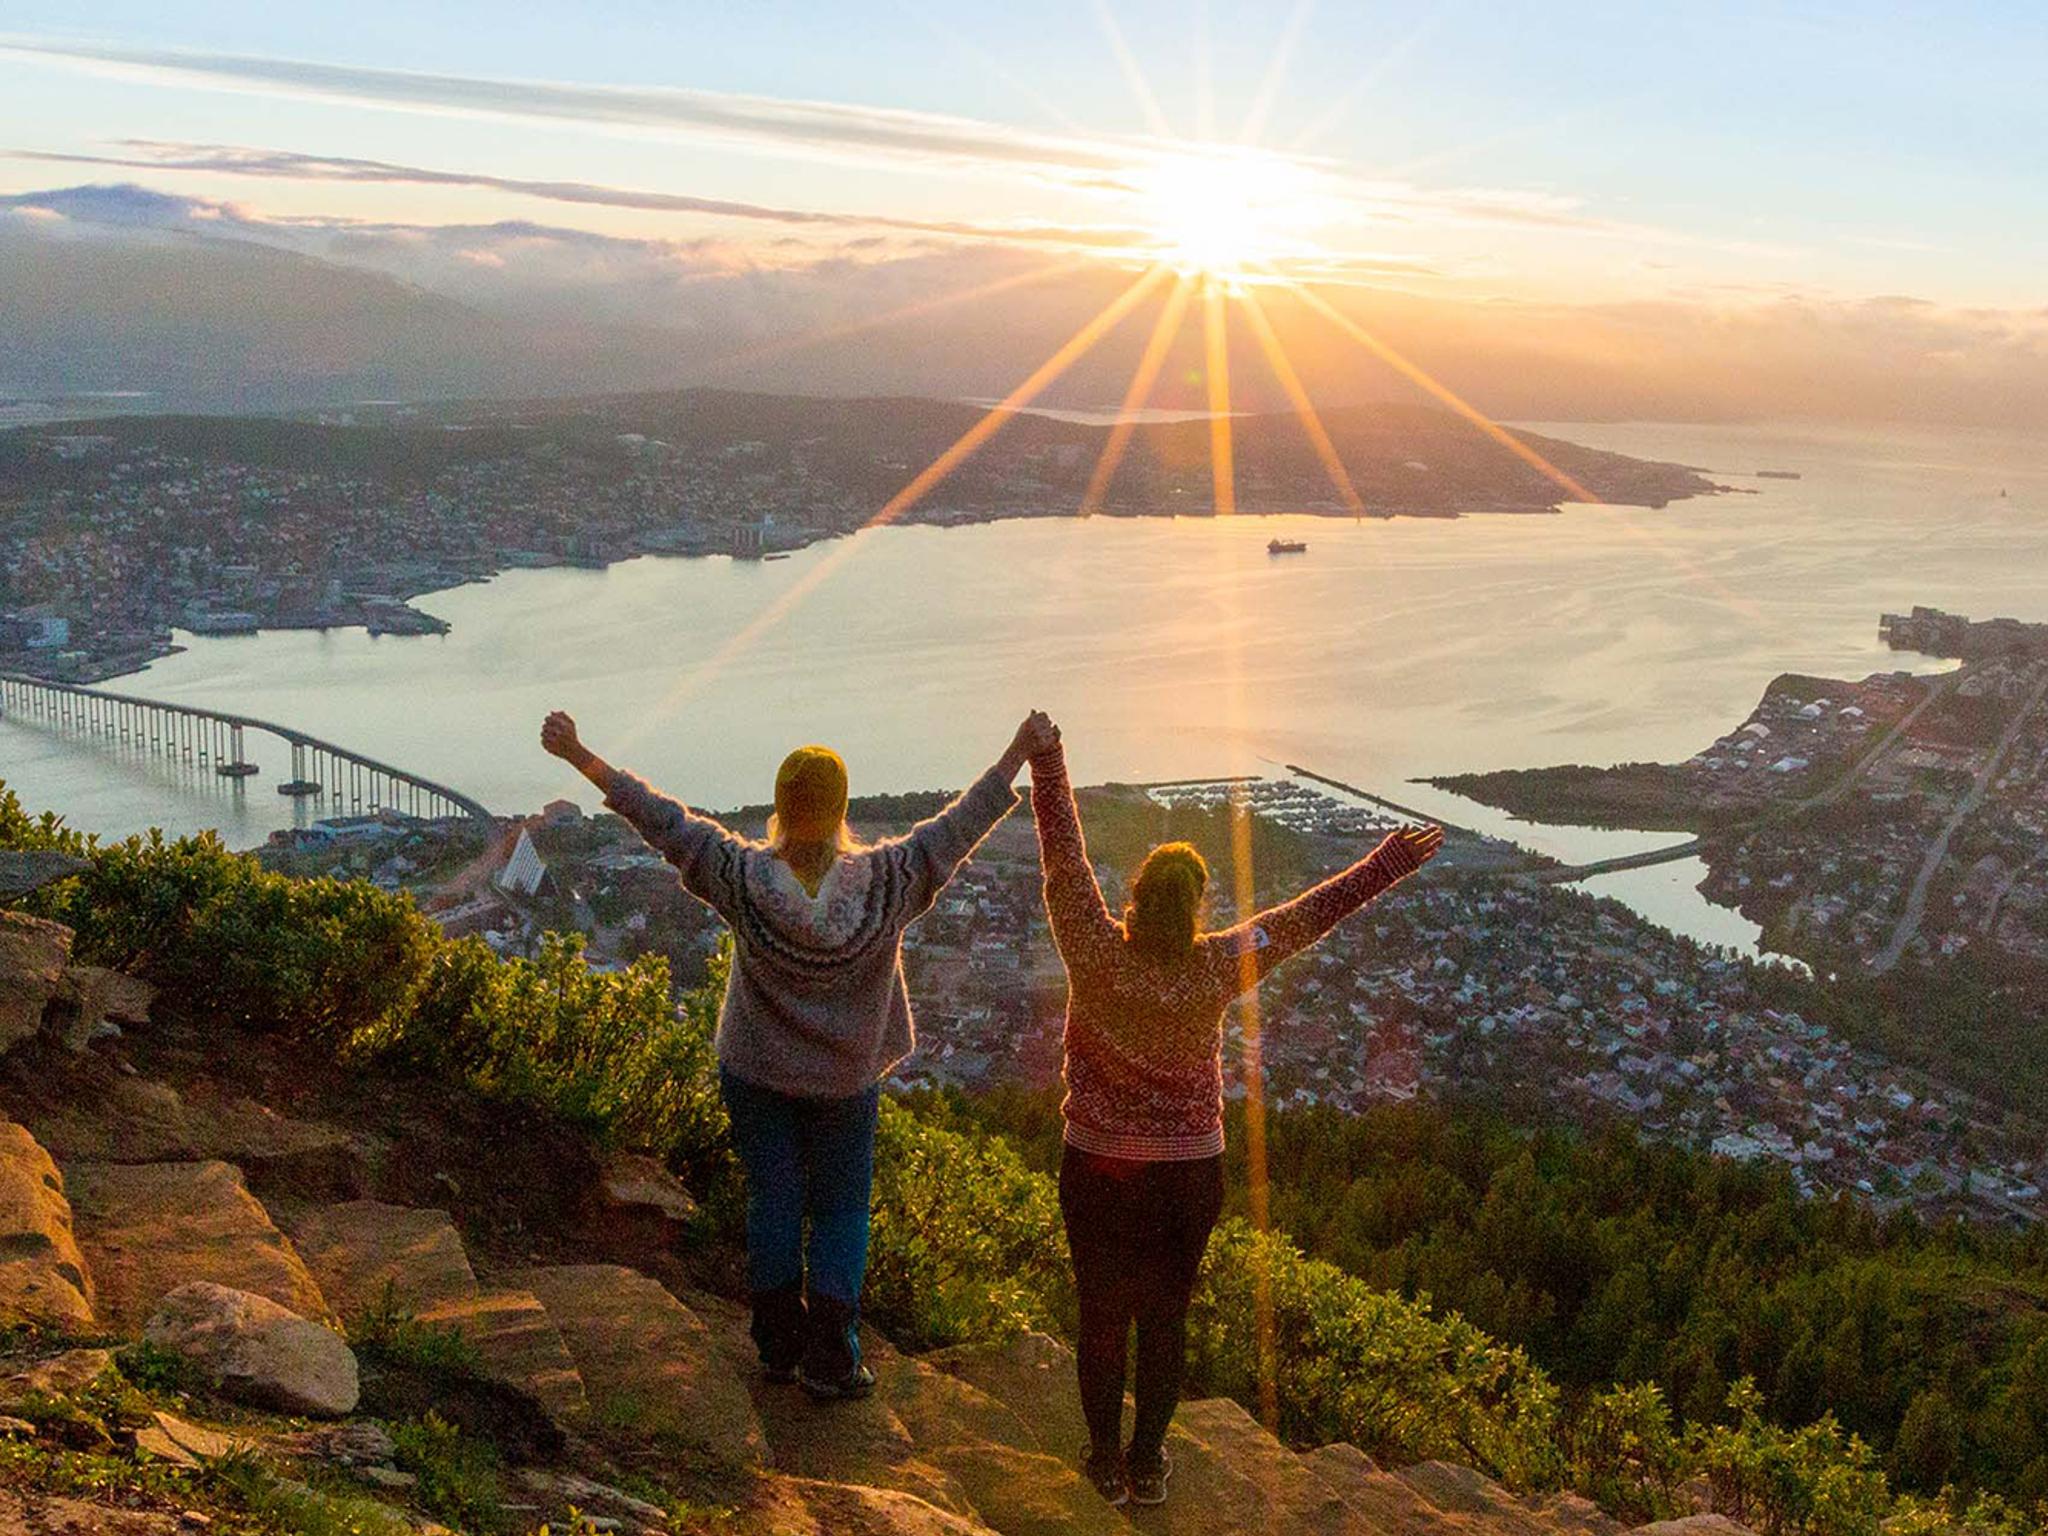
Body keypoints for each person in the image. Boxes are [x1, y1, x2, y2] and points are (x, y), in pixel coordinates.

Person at [542, 708, 1057, 1399]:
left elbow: (662, 821)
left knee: (775, 1200)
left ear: (780, 810)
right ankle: (831, 1357)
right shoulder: (887, 884)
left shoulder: (743, 879)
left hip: (756, 1073)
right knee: (841, 1210)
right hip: (845, 1082)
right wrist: (1017, 752)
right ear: (843, 809)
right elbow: (957, 829)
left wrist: (581, 755)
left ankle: (778, 1343)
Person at [1027, 723, 1442, 1506]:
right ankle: (1148, 1466)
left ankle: (1106, 1466)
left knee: (1103, 1313)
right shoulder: (1220, 961)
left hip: (1101, 1168)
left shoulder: (1092, 946)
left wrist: (1048, 761)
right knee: (1166, 1315)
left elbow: (1063, 862)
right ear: (1197, 910)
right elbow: (1309, 916)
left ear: (1137, 900)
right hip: (1186, 1174)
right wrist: (1386, 861)